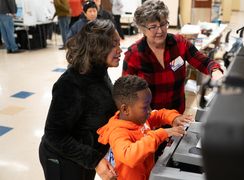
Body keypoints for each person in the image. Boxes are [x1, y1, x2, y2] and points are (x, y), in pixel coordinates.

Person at [39, 19, 121, 180]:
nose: (120, 50)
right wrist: (95, 160)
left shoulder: (98, 71)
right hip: (63, 160)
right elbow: (54, 135)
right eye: (114, 45)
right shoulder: (70, 84)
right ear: (98, 48)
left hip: (85, 158)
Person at [122, 0, 224, 114]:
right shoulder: (133, 54)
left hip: (176, 115)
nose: (160, 31)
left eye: (163, 24)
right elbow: (126, 93)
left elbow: (204, 62)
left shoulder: (179, 43)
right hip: (150, 119)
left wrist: (215, 71)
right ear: (143, 29)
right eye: (153, 27)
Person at [97, 75, 192, 180]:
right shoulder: (117, 133)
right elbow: (130, 156)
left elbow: (159, 114)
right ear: (125, 109)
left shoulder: (140, 118)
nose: (149, 110)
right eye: (145, 107)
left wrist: (173, 118)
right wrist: (159, 134)